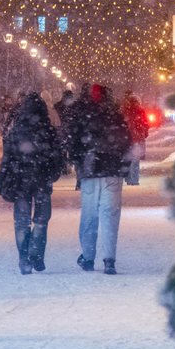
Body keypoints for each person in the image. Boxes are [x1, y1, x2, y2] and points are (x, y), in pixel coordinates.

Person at [66, 84, 131, 275]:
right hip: (112, 173)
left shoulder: (83, 117)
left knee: (89, 217)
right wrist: (123, 167)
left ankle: (87, 257)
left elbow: (73, 143)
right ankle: (109, 260)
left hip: (90, 172)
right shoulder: (116, 116)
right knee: (110, 218)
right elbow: (126, 143)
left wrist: (79, 162)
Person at [0, 92, 65, 274]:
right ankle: (36, 252)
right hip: (41, 180)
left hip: (20, 181)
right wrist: (52, 173)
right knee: (41, 220)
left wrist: (3, 178)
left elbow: (8, 158)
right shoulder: (48, 130)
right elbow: (57, 157)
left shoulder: (16, 131)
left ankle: (23, 259)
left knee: (21, 221)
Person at [119, 90, 150, 186]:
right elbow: (146, 124)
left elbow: (121, 124)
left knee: (128, 159)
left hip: (127, 139)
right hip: (138, 139)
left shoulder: (125, 110)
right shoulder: (140, 111)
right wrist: (144, 133)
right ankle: (135, 179)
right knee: (136, 160)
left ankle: (128, 178)